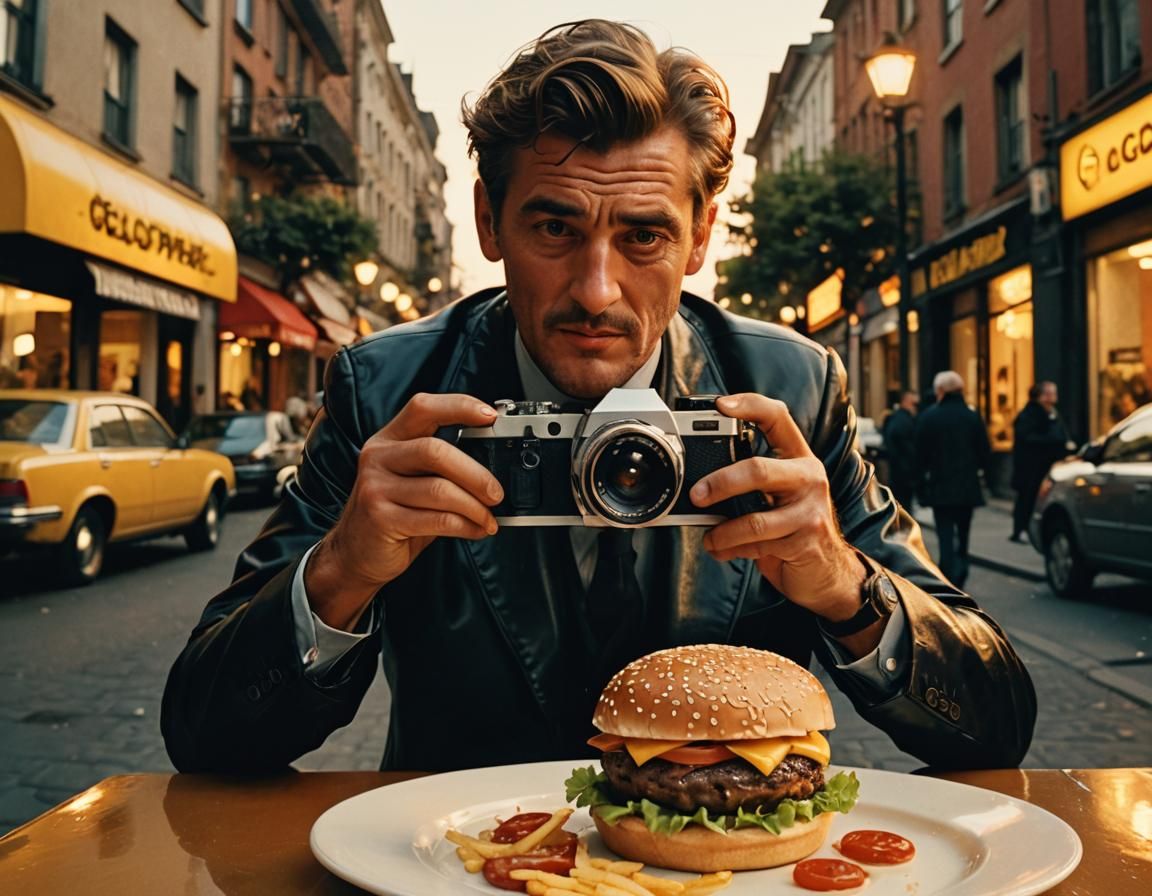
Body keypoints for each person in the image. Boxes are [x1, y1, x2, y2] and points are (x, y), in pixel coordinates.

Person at [162, 20, 1035, 776]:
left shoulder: (789, 391)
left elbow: (994, 726)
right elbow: (205, 737)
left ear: (699, 236)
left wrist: (848, 589)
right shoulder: (387, 391)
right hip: (463, 866)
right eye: (555, 227)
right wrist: (341, 572)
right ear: (488, 222)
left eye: (644, 234)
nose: (597, 290)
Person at [914, 371, 991, 590]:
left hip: (940, 487)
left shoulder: (929, 417)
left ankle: (948, 573)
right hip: (967, 486)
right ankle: (962, 565)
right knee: (964, 530)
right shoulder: (972, 416)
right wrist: (985, 477)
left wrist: (920, 486)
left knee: (945, 533)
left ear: (940, 391)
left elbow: (919, 457)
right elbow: (985, 451)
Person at [1010, 381, 1072, 542]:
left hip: (1048, 464)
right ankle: (1021, 529)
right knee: (1027, 497)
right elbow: (1027, 438)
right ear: (1041, 396)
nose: (1054, 397)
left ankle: (1032, 530)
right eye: (1050, 393)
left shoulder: (1053, 413)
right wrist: (1054, 441)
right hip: (1031, 466)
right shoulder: (1029, 414)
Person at [881, 390, 919, 510]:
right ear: (906, 402)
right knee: (903, 504)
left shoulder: (900, 418)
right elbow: (897, 439)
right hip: (903, 470)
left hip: (901, 468)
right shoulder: (902, 419)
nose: (916, 407)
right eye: (914, 404)